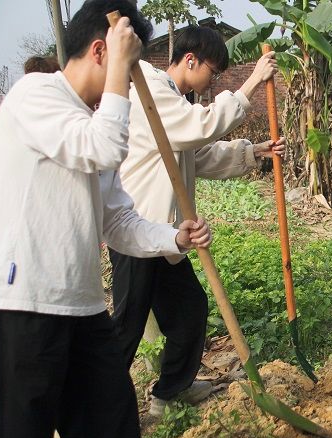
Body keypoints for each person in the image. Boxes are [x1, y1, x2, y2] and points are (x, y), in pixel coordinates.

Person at [0, 0, 212, 438]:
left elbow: (117, 221)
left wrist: (174, 238)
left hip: (84, 311)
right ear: (100, 51)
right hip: (24, 309)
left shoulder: (94, 124)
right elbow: (103, 148)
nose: (129, 88)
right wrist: (119, 70)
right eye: (130, 72)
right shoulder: (35, 95)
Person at [110, 25, 284, 416]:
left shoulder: (173, 100)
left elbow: (197, 154)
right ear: (191, 60)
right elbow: (199, 127)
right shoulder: (151, 91)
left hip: (167, 235)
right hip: (138, 228)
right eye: (213, 71)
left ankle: (171, 392)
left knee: (189, 308)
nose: (214, 80)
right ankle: (97, 405)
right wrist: (252, 83)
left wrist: (252, 152)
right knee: (127, 324)